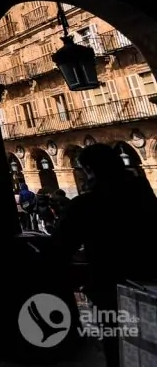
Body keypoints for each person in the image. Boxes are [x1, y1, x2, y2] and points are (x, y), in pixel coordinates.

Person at [48, 143, 157, 366]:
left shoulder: (86, 205)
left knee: (117, 345)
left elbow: (58, 249)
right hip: (150, 282)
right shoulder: (145, 197)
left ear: (89, 170)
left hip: (110, 288)